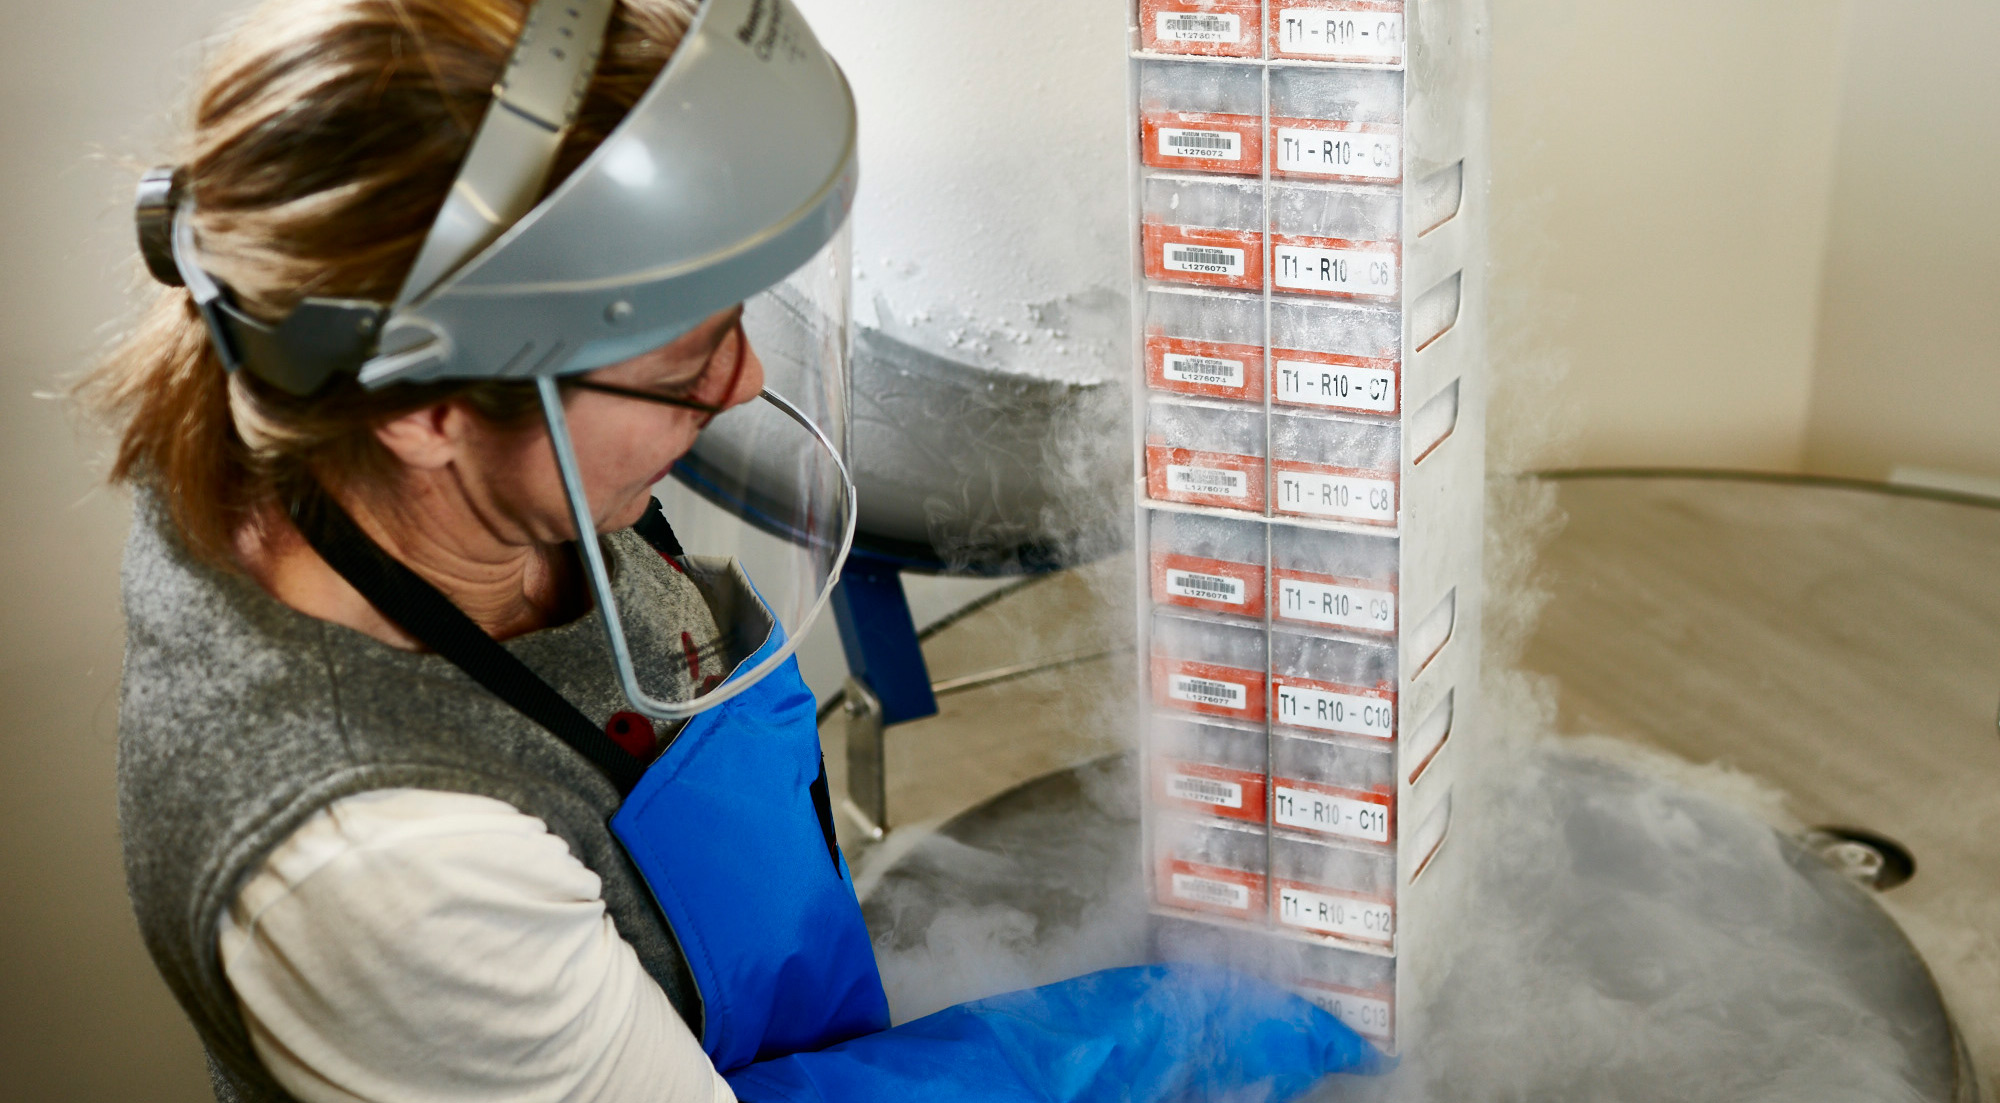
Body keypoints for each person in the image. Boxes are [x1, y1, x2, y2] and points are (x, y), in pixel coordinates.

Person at [84, 0, 1385, 1100]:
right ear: (423, 413)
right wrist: (1102, 1057)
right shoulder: (388, 879)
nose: (747, 378)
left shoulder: (413, 459)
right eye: (682, 361)